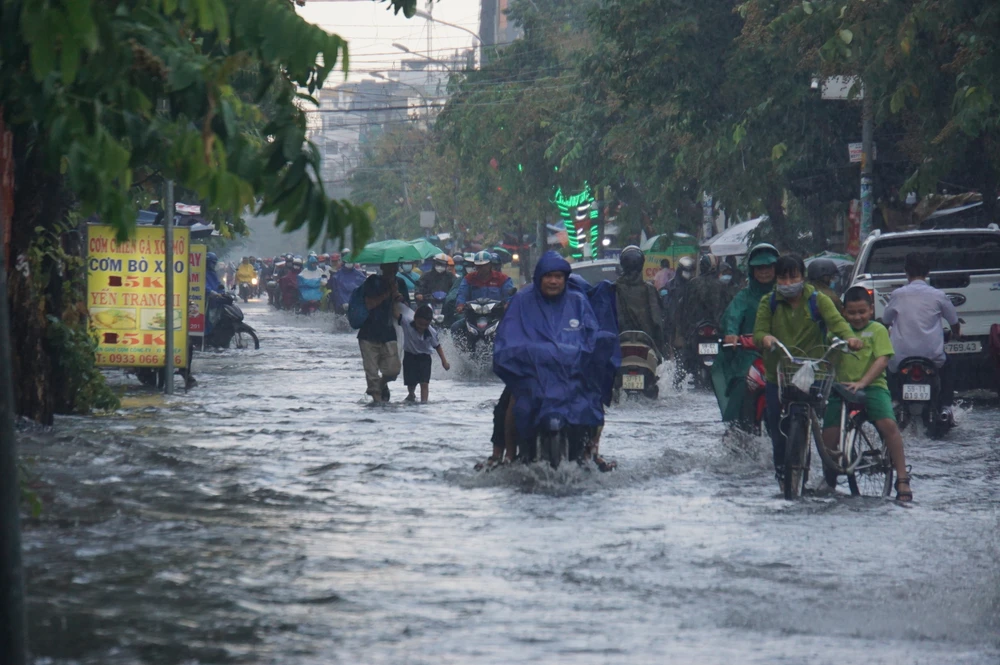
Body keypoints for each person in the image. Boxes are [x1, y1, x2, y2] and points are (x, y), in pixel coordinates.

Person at [492, 251, 619, 467]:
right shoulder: (523, 300)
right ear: (540, 277)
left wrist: (598, 346)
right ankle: (506, 455)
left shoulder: (577, 301)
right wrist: (523, 355)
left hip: (571, 373)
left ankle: (593, 452)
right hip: (533, 374)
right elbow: (509, 335)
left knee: (594, 400)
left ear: (565, 279)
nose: (553, 281)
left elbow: (591, 332)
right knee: (513, 401)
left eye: (558, 276)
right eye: (549, 276)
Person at [753, 254, 862, 490]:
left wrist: (851, 337)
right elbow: (758, 332)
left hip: (813, 372)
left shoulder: (818, 300)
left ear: (802, 277)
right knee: (776, 426)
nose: (788, 281)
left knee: (817, 421)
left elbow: (837, 322)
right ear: (777, 279)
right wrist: (766, 338)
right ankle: (782, 470)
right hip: (779, 374)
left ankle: (825, 465)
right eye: (783, 277)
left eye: (793, 276)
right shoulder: (768, 302)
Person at [821, 287, 912, 500]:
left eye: (862, 312)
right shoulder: (836, 332)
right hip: (840, 388)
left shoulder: (878, 330)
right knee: (828, 436)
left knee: (888, 426)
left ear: (871, 310)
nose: (857, 317)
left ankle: (901, 477)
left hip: (873, 387)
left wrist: (863, 382)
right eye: (852, 313)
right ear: (843, 312)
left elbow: (882, 359)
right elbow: (828, 361)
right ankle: (830, 477)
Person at [882, 252, 961, 422]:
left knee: (887, 368)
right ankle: (946, 405)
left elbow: (886, 320)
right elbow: (954, 321)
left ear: (906, 271)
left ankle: (894, 400)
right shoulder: (939, 295)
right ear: (927, 272)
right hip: (933, 357)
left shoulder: (897, 294)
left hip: (900, 358)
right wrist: (956, 334)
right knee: (950, 366)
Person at [716, 243, 779, 425]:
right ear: (752, 270)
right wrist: (732, 334)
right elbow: (733, 317)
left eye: (769, 267)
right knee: (742, 386)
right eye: (759, 268)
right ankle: (738, 429)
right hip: (750, 355)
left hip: (783, 353)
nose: (764, 272)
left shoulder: (784, 294)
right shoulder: (744, 296)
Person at [672, 254, 731, 384]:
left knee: (685, 362)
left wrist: (683, 330)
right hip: (716, 327)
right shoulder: (721, 285)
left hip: (695, 328)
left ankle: (681, 380)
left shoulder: (692, 284)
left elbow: (684, 308)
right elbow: (728, 307)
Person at [358, 263, 405, 403]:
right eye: (390, 268)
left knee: (393, 370)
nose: (393, 271)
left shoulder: (400, 283)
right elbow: (369, 304)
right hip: (368, 333)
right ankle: (377, 402)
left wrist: (397, 298)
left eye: (395, 268)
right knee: (372, 373)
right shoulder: (372, 282)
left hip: (389, 333)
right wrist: (387, 294)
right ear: (383, 268)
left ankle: (381, 385)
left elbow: (401, 310)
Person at [614, 245, 664, 353]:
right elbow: (657, 321)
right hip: (647, 344)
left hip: (619, 345)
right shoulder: (649, 289)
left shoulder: (613, 288)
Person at [396, 303, 450, 402]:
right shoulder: (407, 322)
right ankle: (411, 394)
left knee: (424, 383)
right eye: (420, 324)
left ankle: (424, 402)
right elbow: (396, 314)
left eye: (425, 325)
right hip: (409, 356)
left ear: (429, 323)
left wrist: (444, 362)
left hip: (424, 358)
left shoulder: (431, 332)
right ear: (415, 318)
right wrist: (394, 300)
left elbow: (437, 346)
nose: (422, 327)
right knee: (411, 383)